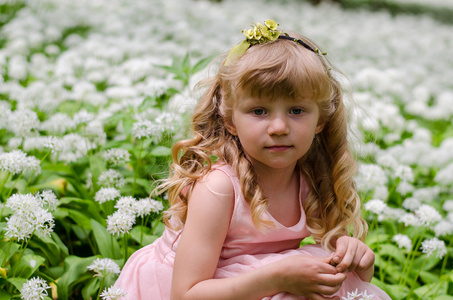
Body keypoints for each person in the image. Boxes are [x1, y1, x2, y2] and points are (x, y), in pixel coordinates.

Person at [114, 20, 391, 300]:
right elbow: (185, 294)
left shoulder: (311, 180)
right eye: (259, 111)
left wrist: (355, 259)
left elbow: (346, 284)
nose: (279, 127)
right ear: (230, 119)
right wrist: (277, 277)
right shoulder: (219, 188)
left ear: (321, 119)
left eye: (297, 110)